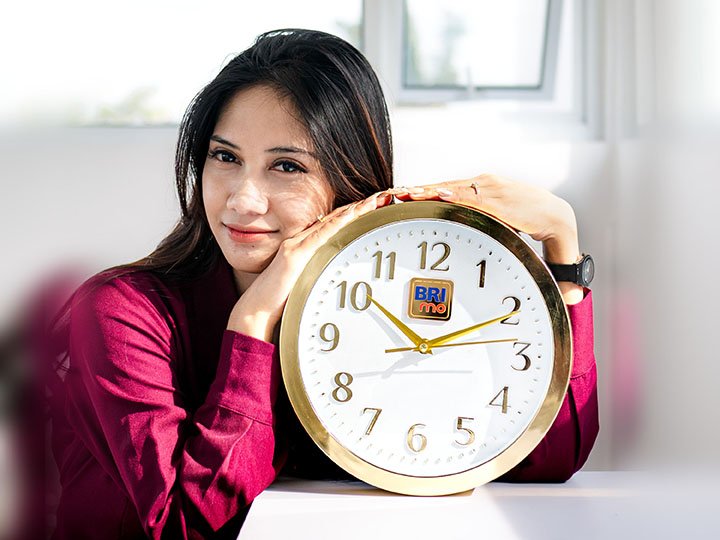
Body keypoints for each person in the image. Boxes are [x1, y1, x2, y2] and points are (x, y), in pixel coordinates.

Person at [45, 29, 598, 539]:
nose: (243, 199)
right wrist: (253, 324)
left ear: (348, 180)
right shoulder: (120, 311)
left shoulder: (374, 306)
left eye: (286, 166)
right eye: (225, 156)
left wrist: (562, 247)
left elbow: (546, 460)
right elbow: (183, 524)